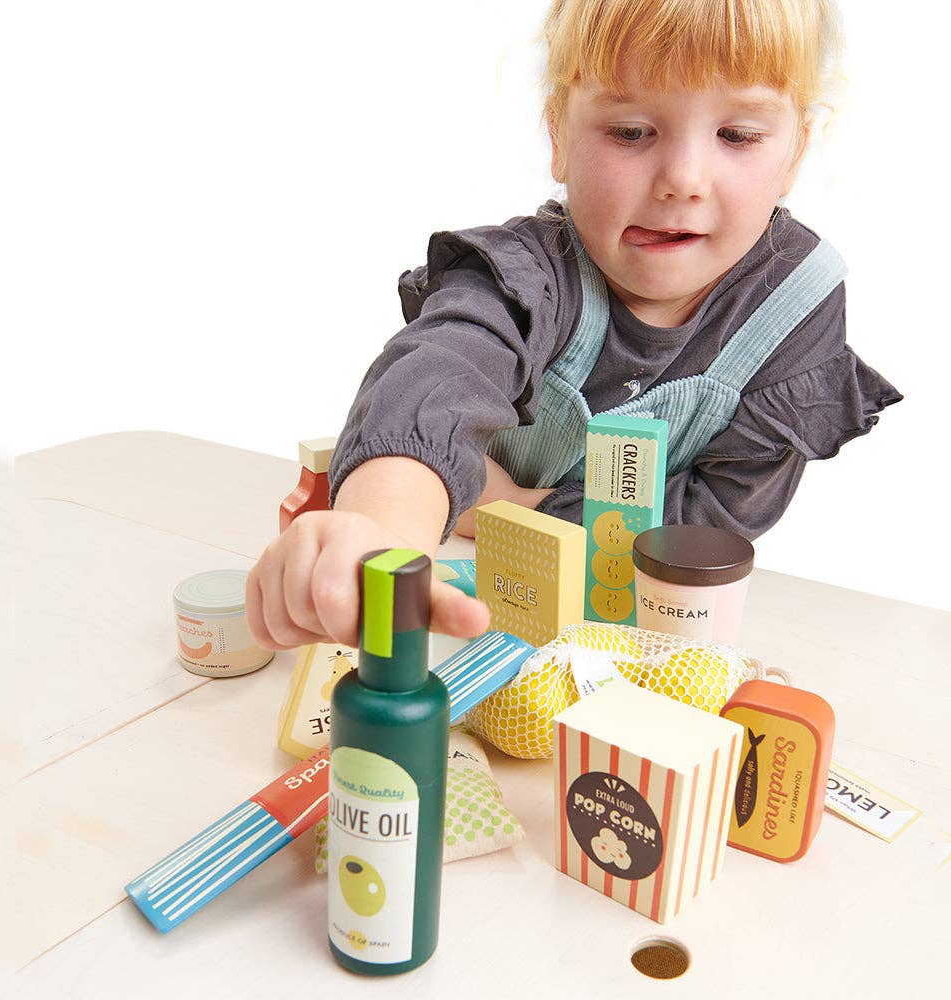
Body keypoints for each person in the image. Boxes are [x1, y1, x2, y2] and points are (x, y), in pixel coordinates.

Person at [246, 0, 900, 653]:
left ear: (793, 155)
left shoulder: (798, 305)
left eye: (737, 136)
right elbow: (435, 380)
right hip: (472, 598)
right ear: (559, 133)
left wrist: (506, 511)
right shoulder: (529, 276)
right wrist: (379, 533)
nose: (683, 180)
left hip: (641, 626)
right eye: (631, 131)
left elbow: (715, 522)